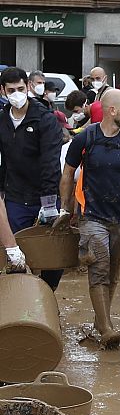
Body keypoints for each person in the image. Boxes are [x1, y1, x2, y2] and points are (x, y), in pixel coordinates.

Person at [55, 90, 120, 348]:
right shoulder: (86, 138)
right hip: (92, 216)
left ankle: (100, 320)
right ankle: (107, 328)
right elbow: (67, 174)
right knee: (98, 269)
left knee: (113, 272)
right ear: (112, 111)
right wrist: (65, 209)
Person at [0, 67, 67, 289]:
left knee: (53, 259)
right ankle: (23, 302)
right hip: (16, 197)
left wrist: (49, 203)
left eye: (20, 88)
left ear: (28, 87)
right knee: (16, 254)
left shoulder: (44, 120)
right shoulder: (2, 121)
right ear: (3, 91)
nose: (17, 94)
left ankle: (47, 295)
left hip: (44, 196)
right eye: (11, 90)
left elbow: (50, 162)